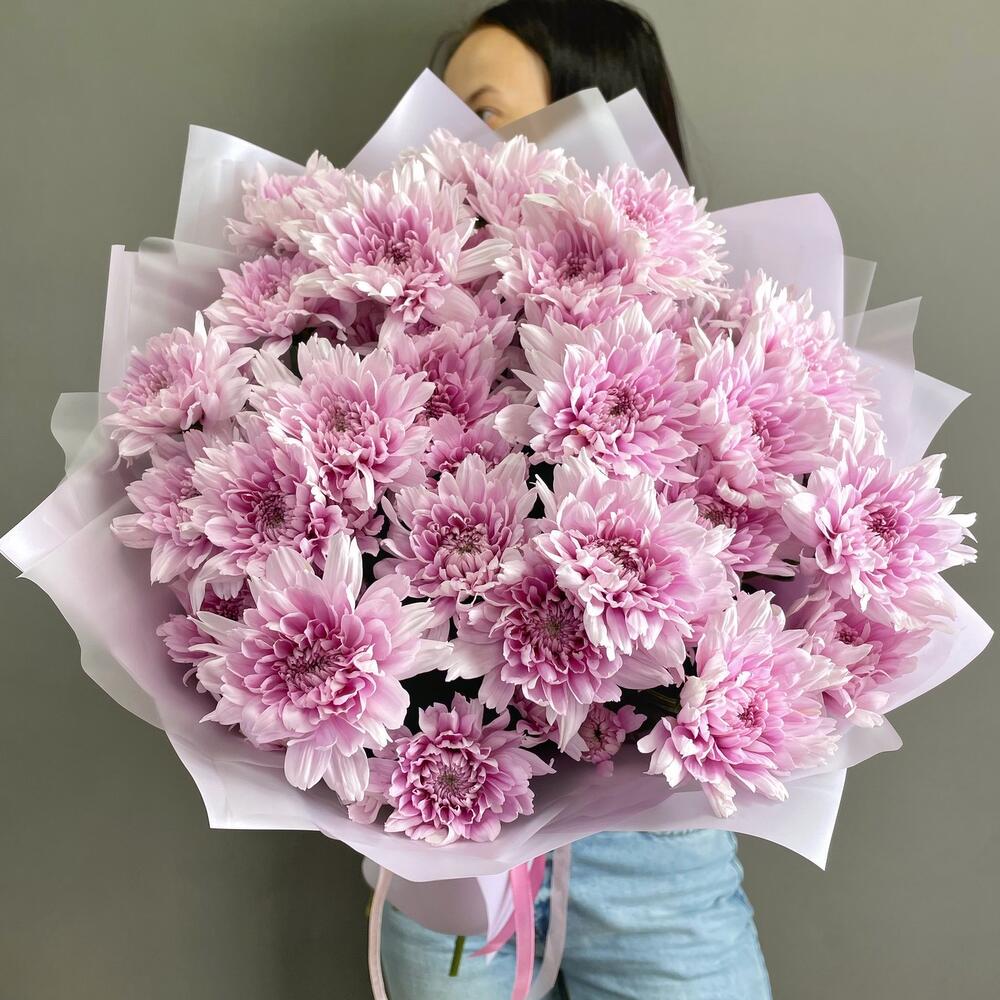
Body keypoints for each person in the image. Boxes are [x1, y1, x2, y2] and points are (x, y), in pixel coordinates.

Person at [379, 3, 772, 997]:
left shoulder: (722, 345)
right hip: (450, 836)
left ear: (600, 119)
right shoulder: (377, 333)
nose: (442, 141)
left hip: (652, 846)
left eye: (480, 113)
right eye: (435, 112)